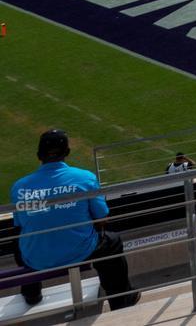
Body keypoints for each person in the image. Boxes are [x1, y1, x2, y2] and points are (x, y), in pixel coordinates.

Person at [10, 129, 139, 309]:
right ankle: (121, 300)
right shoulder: (84, 178)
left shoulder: (19, 187)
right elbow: (102, 217)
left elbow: (20, 224)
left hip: (35, 256)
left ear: (39, 155)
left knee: (25, 243)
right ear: (67, 152)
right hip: (77, 251)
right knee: (111, 242)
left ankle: (31, 293)